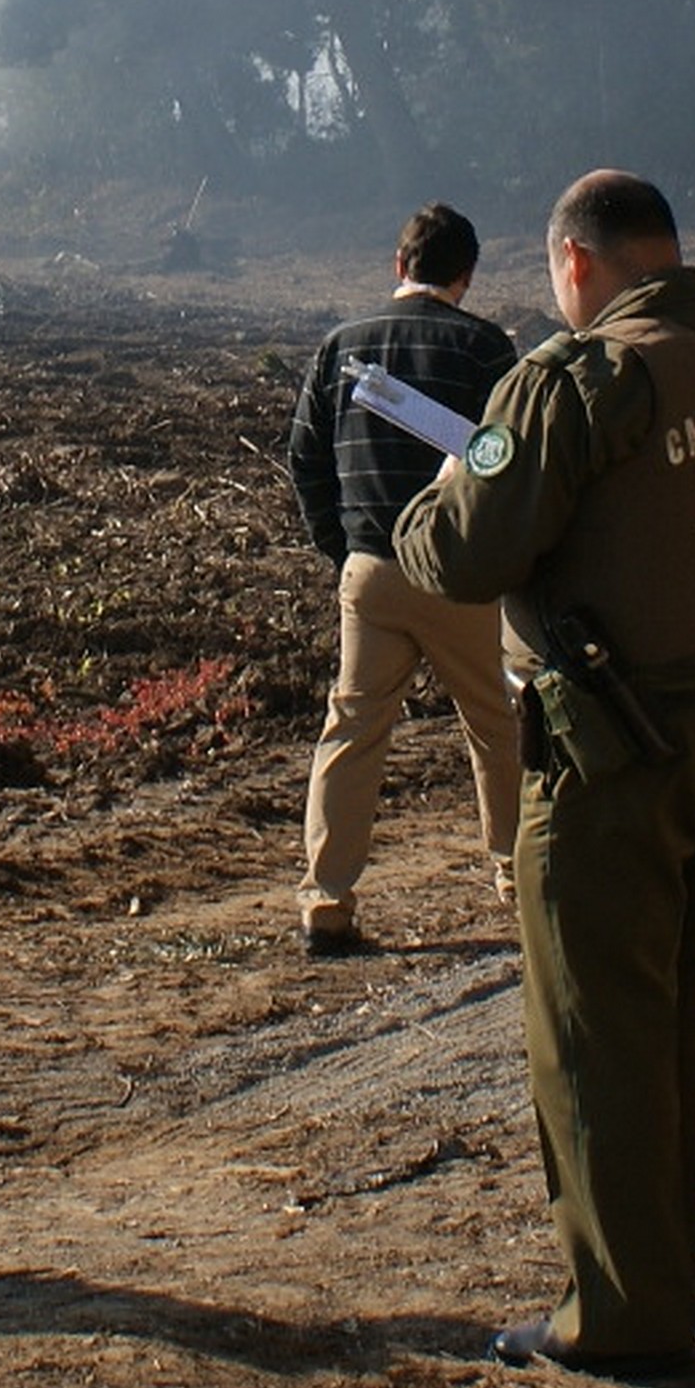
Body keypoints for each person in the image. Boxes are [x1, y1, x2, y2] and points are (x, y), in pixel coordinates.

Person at [392, 170, 695, 1380]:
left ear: (574, 265)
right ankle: (673, 1256)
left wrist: (448, 479)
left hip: (614, 750)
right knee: (694, 1010)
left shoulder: (576, 377)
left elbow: (461, 553)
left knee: (593, 1029)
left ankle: (618, 1315)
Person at [283, 203, 527, 954]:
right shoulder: (486, 348)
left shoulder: (339, 347)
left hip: (371, 570)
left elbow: (305, 461)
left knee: (352, 729)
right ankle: (521, 882)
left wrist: (343, 548)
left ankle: (326, 903)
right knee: (496, 726)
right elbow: (512, 463)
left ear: (399, 265)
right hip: (458, 572)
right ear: (466, 275)